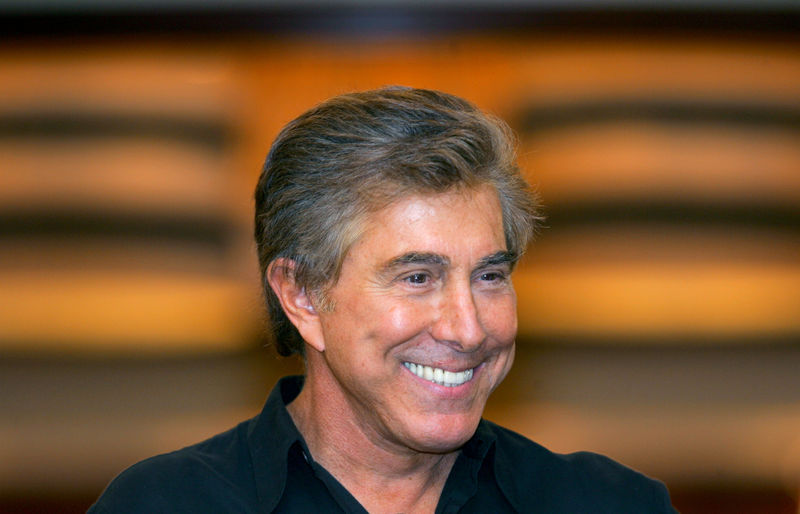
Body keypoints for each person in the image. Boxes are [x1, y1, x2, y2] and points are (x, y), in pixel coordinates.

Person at [89, 87, 676, 513]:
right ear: (302, 295)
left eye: (490, 276)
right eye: (418, 277)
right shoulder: (167, 504)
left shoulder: (609, 503)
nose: (469, 330)